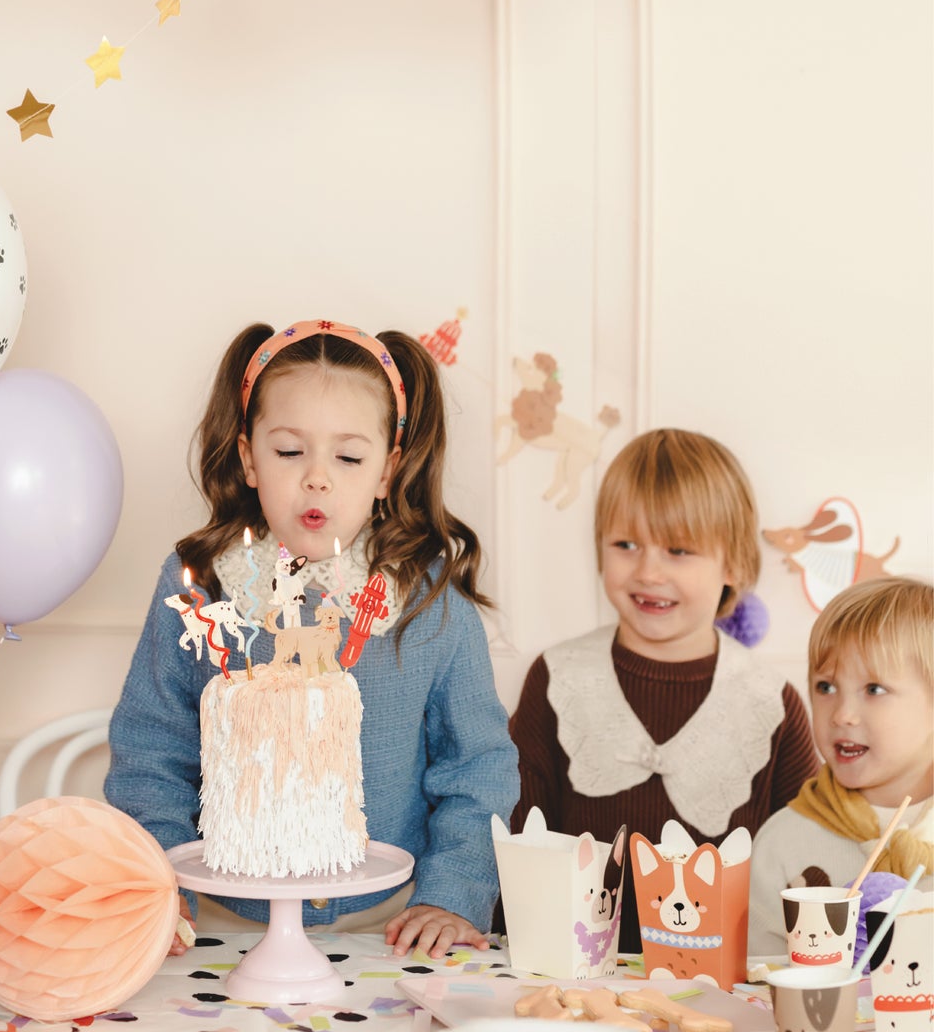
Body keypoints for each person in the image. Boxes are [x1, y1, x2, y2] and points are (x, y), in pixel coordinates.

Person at [105, 319, 518, 959]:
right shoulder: (202, 586)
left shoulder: (430, 601)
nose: (317, 478)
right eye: (289, 451)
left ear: (388, 470)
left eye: (349, 457)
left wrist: (452, 893)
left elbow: (477, 770)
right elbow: (151, 752)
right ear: (248, 458)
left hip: (388, 926)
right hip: (221, 924)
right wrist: (162, 885)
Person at [507, 428, 818, 952]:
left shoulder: (771, 702)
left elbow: (805, 864)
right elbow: (524, 837)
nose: (648, 571)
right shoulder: (558, 677)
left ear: (734, 565)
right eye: (626, 545)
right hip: (576, 977)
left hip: (725, 989)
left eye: (678, 550)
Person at [748, 578, 934, 958]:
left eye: (874, 689)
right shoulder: (783, 842)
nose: (843, 715)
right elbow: (758, 981)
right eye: (825, 687)